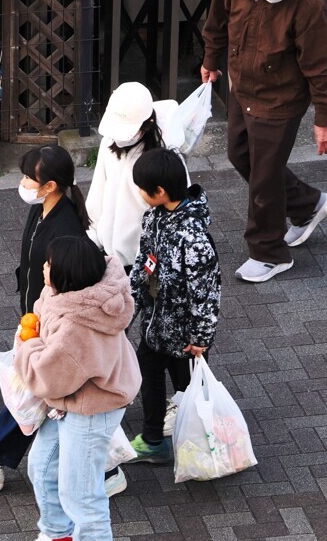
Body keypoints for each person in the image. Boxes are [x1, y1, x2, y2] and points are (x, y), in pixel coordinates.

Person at [0, 146, 126, 496]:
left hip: (52, 325)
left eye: (30, 177)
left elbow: (69, 284)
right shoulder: (46, 212)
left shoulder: (66, 228)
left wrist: (42, 324)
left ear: (50, 185)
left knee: (33, 391)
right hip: (39, 318)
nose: (24, 182)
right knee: (39, 395)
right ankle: (106, 472)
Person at [201, 0, 327, 283]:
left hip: (281, 98)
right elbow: (216, 22)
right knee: (239, 155)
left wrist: (325, 120)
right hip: (242, 88)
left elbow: (322, 65)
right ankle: (307, 205)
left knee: (263, 177)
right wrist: (210, 59)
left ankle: (269, 253)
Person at [16, 236, 142, 541]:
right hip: (72, 400)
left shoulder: (77, 327)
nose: (43, 268)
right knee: (42, 469)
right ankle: (59, 534)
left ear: (65, 275)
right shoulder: (72, 294)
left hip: (90, 407)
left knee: (81, 496)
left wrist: (26, 344)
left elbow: (47, 375)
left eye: (49, 265)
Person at [126, 149, 221, 464]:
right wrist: (130, 306)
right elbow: (144, 266)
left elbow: (206, 292)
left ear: (160, 192)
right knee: (149, 373)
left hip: (185, 339)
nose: (139, 194)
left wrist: (201, 337)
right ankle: (154, 438)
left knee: (190, 389)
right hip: (156, 327)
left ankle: (210, 441)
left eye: (142, 188)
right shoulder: (154, 218)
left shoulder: (194, 240)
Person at [86, 81, 184, 270]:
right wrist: (90, 240)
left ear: (148, 125)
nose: (121, 138)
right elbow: (97, 195)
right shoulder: (108, 143)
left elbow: (176, 208)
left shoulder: (165, 157)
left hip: (145, 262)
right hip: (107, 255)